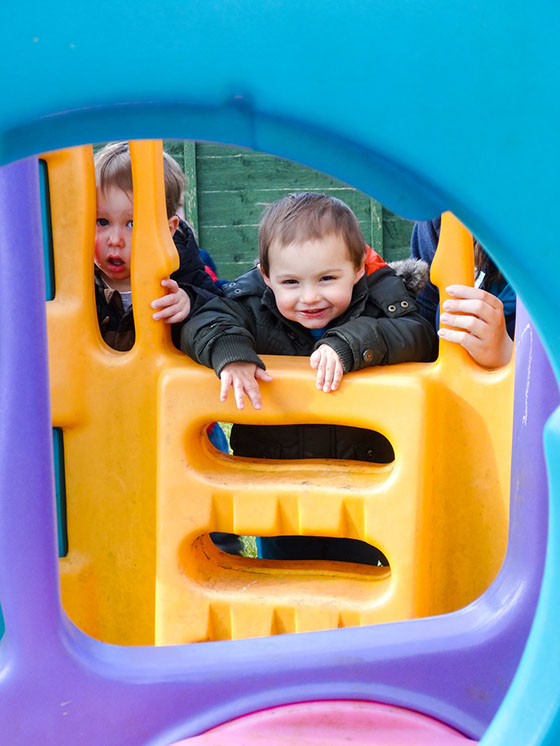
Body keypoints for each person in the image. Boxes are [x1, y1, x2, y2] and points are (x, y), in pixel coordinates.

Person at [181, 192, 438, 564]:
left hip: (362, 484)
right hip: (280, 488)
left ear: (358, 269)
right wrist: (231, 352)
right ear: (266, 276)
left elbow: (418, 334)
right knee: (283, 575)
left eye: (327, 278)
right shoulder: (249, 300)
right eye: (291, 283)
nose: (310, 297)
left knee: (362, 577)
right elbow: (205, 319)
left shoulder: (383, 298)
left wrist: (351, 342)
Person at [94, 141, 220, 351]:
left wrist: (191, 303)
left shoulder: (184, 276)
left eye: (133, 224)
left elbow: (224, 313)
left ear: (168, 230)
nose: (115, 240)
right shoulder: (76, 281)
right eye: (102, 222)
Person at [410, 217, 515, 368]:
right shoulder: (441, 217)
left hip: (524, 387)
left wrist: (506, 356)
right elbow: (421, 321)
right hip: (452, 382)